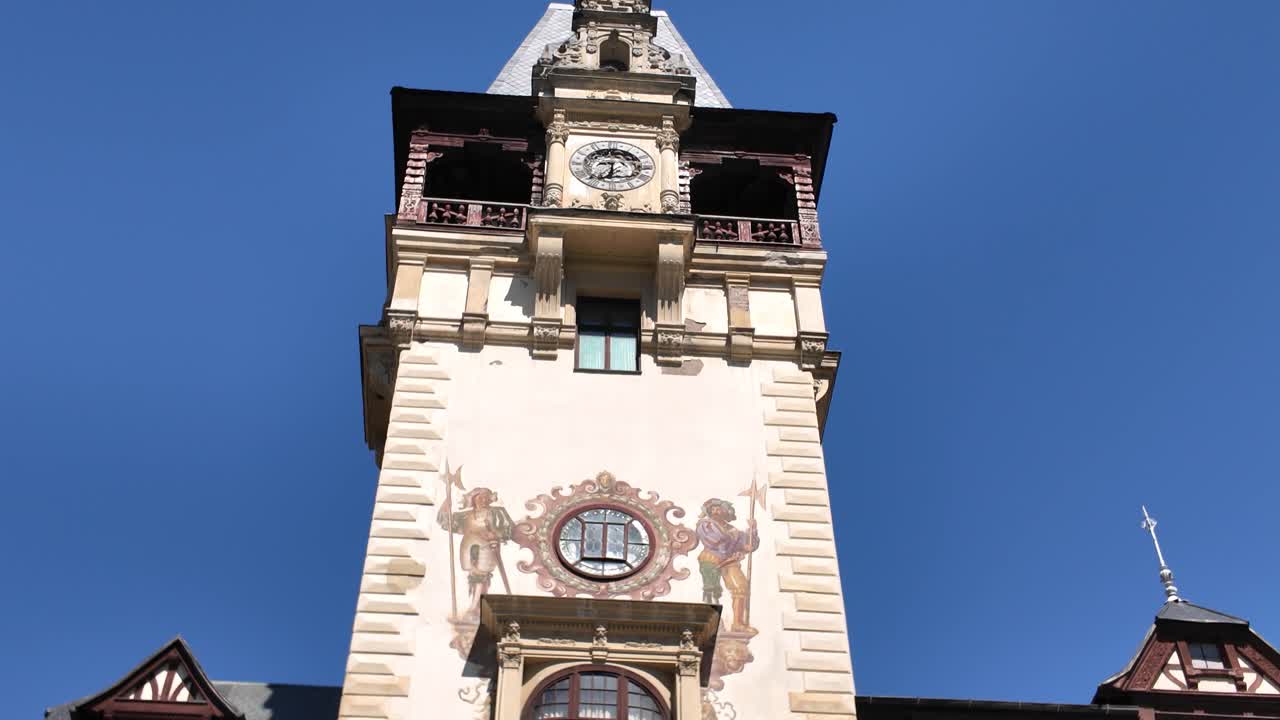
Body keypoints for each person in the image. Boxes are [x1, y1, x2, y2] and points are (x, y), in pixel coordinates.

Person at [438, 488, 514, 618]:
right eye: (479, 498)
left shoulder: (497, 513)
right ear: (473, 499)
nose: (483, 500)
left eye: (486, 497)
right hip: (468, 545)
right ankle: (476, 604)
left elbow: (510, 529)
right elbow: (446, 523)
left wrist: (496, 534)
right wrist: (446, 504)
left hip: (488, 546)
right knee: (473, 574)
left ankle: (475, 606)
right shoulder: (465, 515)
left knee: (482, 573)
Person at [696, 498, 759, 633]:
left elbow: (748, 545)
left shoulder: (731, 528)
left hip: (730, 562)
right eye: (713, 509)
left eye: (719, 508)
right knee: (712, 590)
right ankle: (715, 624)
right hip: (711, 560)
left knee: (741, 587)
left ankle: (737, 623)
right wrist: (735, 548)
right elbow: (715, 540)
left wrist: (752, 530)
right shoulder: (705, 524)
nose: (716, 511)